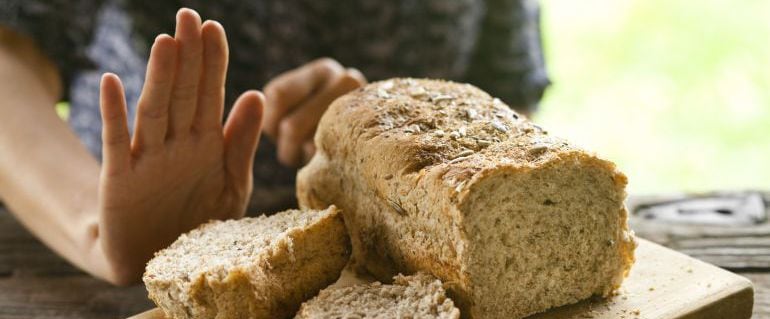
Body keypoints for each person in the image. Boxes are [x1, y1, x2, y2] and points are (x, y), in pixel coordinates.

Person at [0, 1, 549, 285]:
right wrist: (92, 225)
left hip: (392, 269)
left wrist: (380, 133)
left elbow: (504, 103)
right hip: (105, 268)